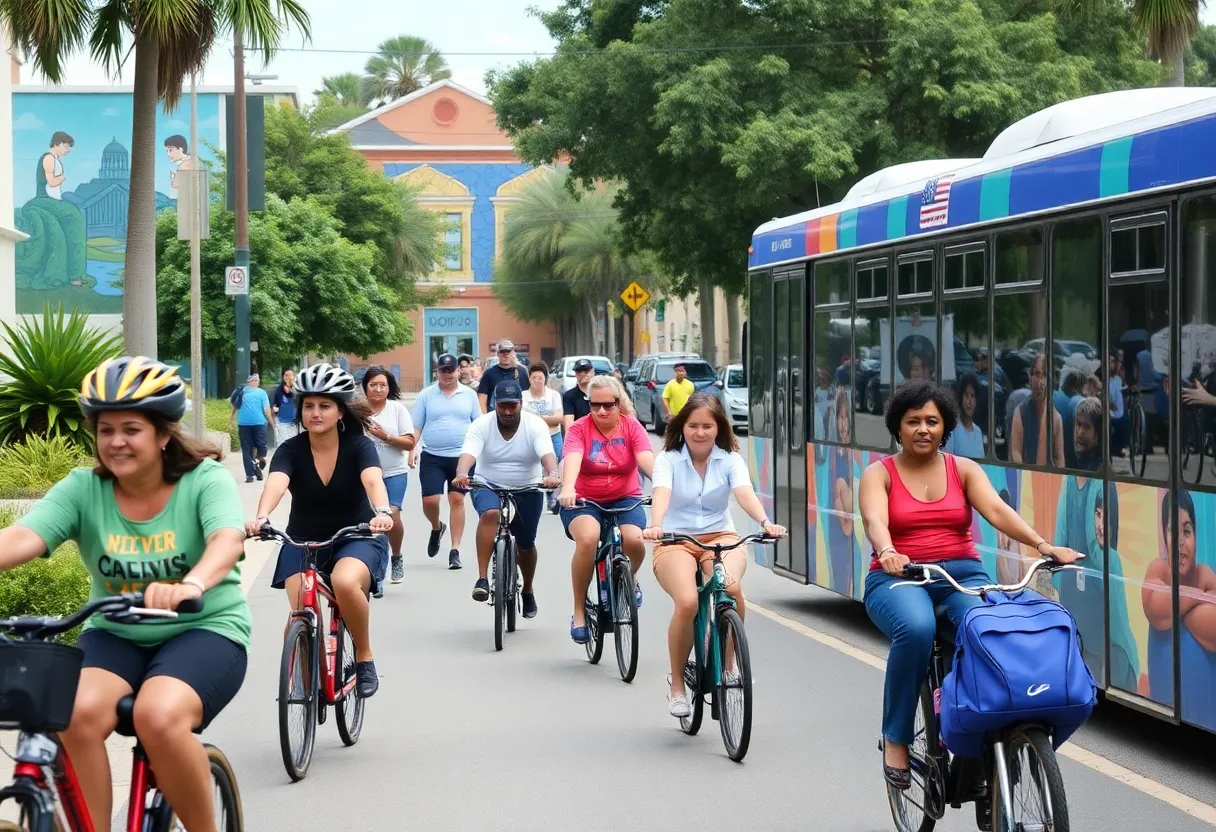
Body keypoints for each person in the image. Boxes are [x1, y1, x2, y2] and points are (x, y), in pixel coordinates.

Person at [0, 356, 249, 831]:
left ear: (162, 435)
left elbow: (227, 540)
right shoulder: (82, 489)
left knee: (158, 716)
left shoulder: (203, 481)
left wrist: (190, 584)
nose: (116, 441)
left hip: (203, 629)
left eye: (131, 429)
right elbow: (21, 537)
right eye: (106, 429)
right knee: (72, 714)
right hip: (114, 633)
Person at [859, 380, 1081, 789]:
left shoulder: (962, 469)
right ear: (898, 427)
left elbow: (997, 509)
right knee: (919, 627)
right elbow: (874, 519)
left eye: (932, 421)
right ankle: (896, 737)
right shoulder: (879, 474)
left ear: (945, 427)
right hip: (898, 577)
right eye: (913, 422)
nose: (923, 429)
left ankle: (978, 724)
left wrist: (1043, 545)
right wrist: (888, 549)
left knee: (989, 629)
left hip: (962, 574)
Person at [249, 363, 393, 698]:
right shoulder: (290, 450)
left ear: (340, 411)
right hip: (303, 540)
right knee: (300, 605)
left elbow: (373, 480)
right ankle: (304, 676)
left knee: (344, 582)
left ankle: (363, 656)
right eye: (309, 406)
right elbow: (276, 483)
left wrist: (382, 512)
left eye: (325, 406)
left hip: (355, 535)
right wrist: (260, 516)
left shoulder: (359, 446)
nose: (316, 413)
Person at [642, 393, 785, 717]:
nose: (700, 432)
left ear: (718, 428)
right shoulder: (668, 459)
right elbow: (661, 493)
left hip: (721, 536)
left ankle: (729, 664)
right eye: (693, 425)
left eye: (708, 426)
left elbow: (744, 493)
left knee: (731, 589)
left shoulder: (730, 459)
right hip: (675, 539)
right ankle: (677, 684)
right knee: (689, 602)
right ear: (682, 427)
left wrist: (765, 522)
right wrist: (657, 526)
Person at [558, 375, 655, 644]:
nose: (601, 411)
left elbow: (645, 458)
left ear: (618, 403)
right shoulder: (579, 429)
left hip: (625, 497)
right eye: (594, 405)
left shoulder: (631, 427)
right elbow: (573, 458)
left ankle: (629, 579)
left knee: (634, 540)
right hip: (584, 499)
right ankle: (579, 610)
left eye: (608, 405)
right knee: (588, 539)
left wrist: (662, 485)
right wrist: (568, 488)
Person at [453, 380, 561, 616]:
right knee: (490, 515)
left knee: (526, 545)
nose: (508, 411)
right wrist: (462, 473)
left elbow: (547, 453)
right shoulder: (482, 424)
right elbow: (468, 453)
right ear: (495, 405)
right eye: (503, 406)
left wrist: (552, 474)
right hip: (488, 484)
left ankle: (528, 590)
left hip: (528, 487)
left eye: (513, 405)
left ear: (521, 404)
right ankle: (482, 579)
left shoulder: (535, 425)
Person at [1145, 490, 1216, 723]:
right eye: (1172, 530)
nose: (1180, 543)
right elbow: (1154, 606)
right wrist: (1199, 597)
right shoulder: (1159, 569)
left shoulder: (1205, 574)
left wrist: (1176, 606)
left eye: (1186, 531)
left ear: (1195, 536)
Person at [410, 353, 481, 570]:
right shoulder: (426, 395)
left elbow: (478, 425)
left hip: (462, 457)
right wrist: (412, 447)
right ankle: (436, 527)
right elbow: (416, 426)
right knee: (430, 501)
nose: (448, 374)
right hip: (433, 456)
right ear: (437, 372)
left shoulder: (469, 395)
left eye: (451, 370)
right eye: (443, 370)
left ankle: (455, 550)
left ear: (458, 371)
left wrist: (481, 452)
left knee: (456, 500)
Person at [362, 366, 416, 588]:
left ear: (389, 388)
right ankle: (374, 567)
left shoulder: (396, 409)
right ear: (365, 387)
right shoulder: (356, 410)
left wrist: (385, 436)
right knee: (369, 522)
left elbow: (410, 442)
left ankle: (396, 556)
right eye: (373, 384)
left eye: (382, 385)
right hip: (364, 474)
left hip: (394, 472)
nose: (378, 389)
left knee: (391, 517)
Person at [521, 362, 565, 512]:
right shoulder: (523, 396)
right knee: (534, 465)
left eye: (540, 378)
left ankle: (554, 494)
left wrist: (535, 419)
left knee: (557, 462)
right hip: (531, 436)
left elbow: (558, 418)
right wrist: (547, 419)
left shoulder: (553, 395)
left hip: (553, 435)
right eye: (534, 377)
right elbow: (521, 419)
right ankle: (538, 493)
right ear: (529, 379)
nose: (537, 381)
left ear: (545, 379)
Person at [1010, 353, 1064, 467]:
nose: (1040, 382)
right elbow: (1016, 452)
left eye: (1045, 375)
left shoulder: (1056, 418)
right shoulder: (1020, 412)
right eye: (1037, 374)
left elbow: (1059, 458)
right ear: (1031, 376)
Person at [227, 373, 273, 483]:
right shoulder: (242, 392)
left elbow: (267, 410)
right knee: (247, 450)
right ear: (249, 381)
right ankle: (249, 475)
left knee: (261, 447)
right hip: (245, 424)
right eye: (254, 380)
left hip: (259, 423)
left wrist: (271, 421)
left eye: (257, 380)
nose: (256, 382)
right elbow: (236, 406)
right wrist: (231, 418)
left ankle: (258, 461)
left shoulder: (262, 393)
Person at [478, 339, 528, 412]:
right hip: (495, 414)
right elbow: (482, 399)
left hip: (518, 414)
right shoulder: (489, 373)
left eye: (508, 351)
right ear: (497, 354)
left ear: (513, 353)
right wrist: (484, 418)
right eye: (502, 351)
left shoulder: (522, 371)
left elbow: (527, 396)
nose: (506, 354)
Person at [945, 373, 985, 459]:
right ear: (960, 398)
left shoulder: (978, 431)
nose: (969, 402)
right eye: (966, 395)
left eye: (972, 396)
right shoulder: (952, 428)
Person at [562, 358, 595, 429]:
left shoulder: (600, 393)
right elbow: (569, 424)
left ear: (593, 372)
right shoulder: (569, 396)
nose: (583, 373)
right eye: (579, 371)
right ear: (576, 374)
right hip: (580, 434)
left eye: (586, 370)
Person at [271, 369, 298, 447]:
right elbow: (275, 404)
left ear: (294, 376)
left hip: (295, 421)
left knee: (294, 442)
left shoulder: (297, 388)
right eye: (286, 375)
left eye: (290, 375)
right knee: (283, 443)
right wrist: (274, 417)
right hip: (282, 421)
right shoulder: (279, 390)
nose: (288, 377)